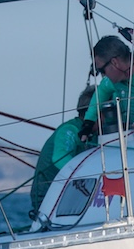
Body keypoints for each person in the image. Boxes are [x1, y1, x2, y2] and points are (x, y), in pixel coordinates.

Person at [31, 86, 97, 217]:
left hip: (75, 194)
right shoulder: (70, 130)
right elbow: (60, 158)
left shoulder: (96, 133)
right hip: (49, 198)